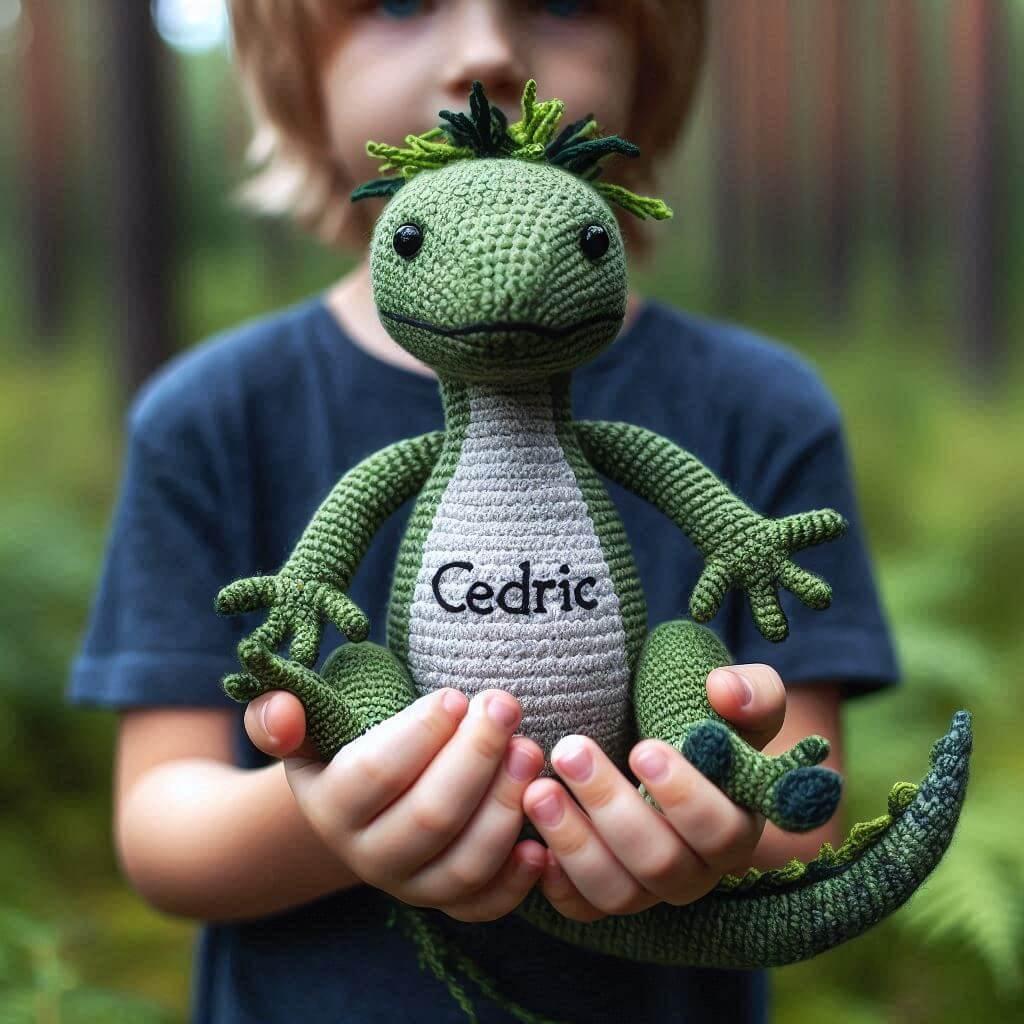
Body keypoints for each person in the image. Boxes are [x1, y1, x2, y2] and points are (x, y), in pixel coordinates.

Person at [67, 2, 899, 1021]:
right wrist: (344, 808)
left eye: (563, 0)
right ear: (291, 69)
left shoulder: (763, 409)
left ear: (657, 57)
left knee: (688, 655)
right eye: (400, 1)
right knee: (353, 670)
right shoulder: (208, 419)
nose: (486, 52)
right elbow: (164, 833)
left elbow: (800, 816)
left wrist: (720, 798)